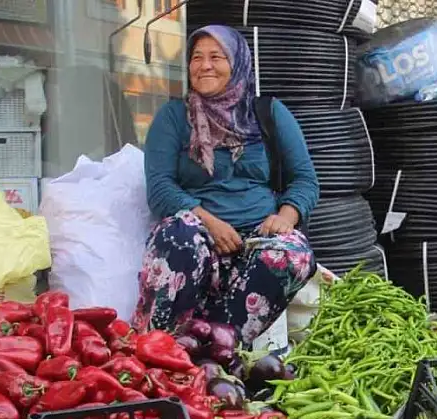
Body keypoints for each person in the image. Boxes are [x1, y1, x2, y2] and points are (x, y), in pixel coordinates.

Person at [136, 24, 318, 345]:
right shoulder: (174, 117)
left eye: (216, 57)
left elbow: (304, 179)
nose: (205, 65)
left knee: (295, 254)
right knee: (178, 234)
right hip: (199, 233)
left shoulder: (269, 113)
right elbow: (160, 188)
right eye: (196, 57)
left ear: (237, 63)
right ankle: (161, 348)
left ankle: (219, 346)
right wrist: (210, 223)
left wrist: (285, 218)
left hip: (257, 237)